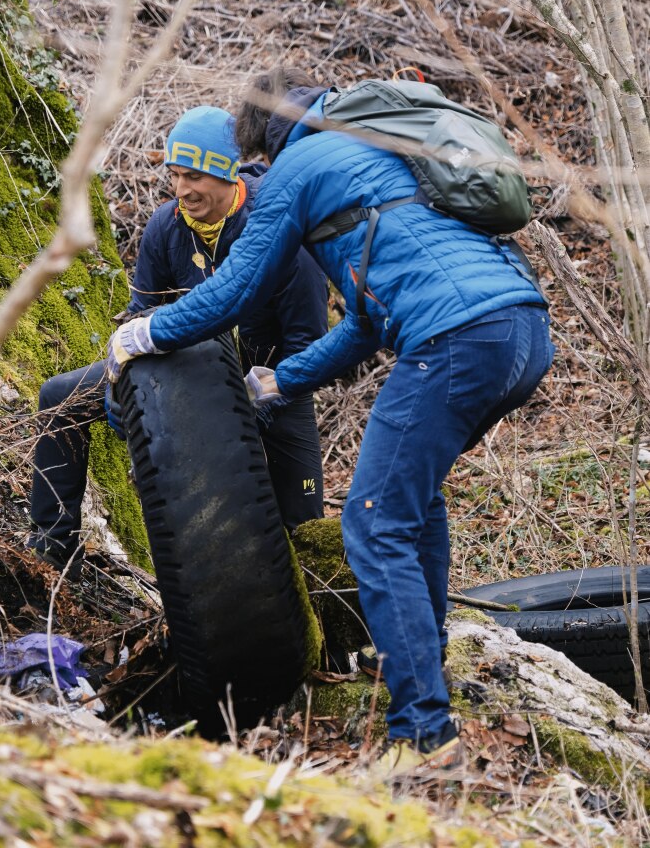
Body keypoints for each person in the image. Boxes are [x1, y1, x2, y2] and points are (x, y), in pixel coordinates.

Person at [106, 68, 555, 773]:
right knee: (413, 498)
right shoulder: (372, 154)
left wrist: (147, 333)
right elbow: (365, 323)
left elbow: (236, 288)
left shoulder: (302, 165)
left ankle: (422, 736)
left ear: (260, 141)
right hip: (521, 332)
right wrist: (280, 379)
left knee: (374, 522)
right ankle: (419, 655)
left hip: (456, 340)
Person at [28, 105, 327, 579]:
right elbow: (138, 319)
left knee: (307, 529)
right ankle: (51, 555)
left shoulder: (278, 230)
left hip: (273, 386)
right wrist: (118, 384)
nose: (183, 190)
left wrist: (261, 402)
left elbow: (309, 347)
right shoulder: (166, 228)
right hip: (186, 376)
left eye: (195, 177)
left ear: (228, 174)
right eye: (175, 176)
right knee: (59, 397)